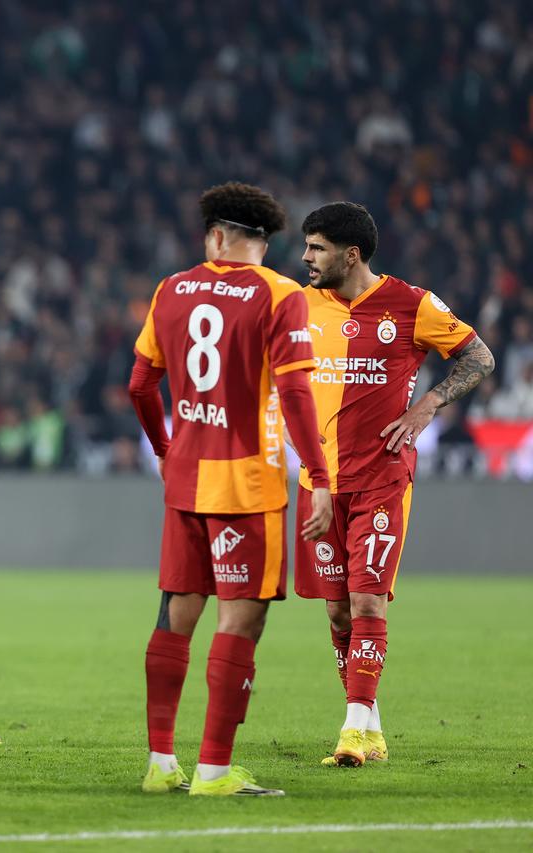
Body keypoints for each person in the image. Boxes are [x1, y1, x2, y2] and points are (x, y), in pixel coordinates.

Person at [129, 182, 333, 796]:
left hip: (185, 478)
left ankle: (161, 765)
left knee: (175, 612)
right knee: (241, 620)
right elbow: (296, 394)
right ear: (260, 242)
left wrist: (166, 452)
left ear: (215, 237)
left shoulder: (171, 289)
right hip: (249, 482)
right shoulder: (280, 294)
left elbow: (141, 386)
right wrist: (320, 477)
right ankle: (214, 769)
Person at [294, 202, 493, 767]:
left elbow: (479, 356)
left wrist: (428, 404)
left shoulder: (412, 305)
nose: (306, 257)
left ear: (350, 254)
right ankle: (371, 724)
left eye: (317, 248)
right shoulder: (298, 307)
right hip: (320, 484)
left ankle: (352, 731)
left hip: (383, 476)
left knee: (367, 601)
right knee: (337, 613)